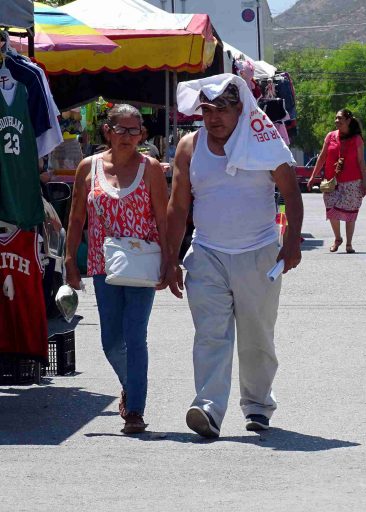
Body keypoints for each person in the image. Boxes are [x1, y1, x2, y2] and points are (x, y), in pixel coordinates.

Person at [166, 76, 302, 438]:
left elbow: (291, 190)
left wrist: (291, 243)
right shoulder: (189, 147)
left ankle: (257, 406)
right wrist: (170, 259)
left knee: (257, 337)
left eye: (222, 110)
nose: (214, 119)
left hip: (258, 254)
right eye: (207, 110)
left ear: (240, 108)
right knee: (210, 335)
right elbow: (178, 206)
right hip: (207, 253)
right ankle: (208, 408)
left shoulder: (264, 140)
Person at [64, 104, 171, 434]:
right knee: (111, 339)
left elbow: (163, 218)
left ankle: (135, 408)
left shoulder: (150, 168)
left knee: (135, 335)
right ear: (107, 131)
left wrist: (170, 261)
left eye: (134, 130)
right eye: (120, 130)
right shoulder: (88, 167)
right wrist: (69, 259)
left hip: (142, 262)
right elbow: (77, 218)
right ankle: (130, 382)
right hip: (102, 264)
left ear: (142, 134)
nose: (127, 137)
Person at [307, 109, 366, 253]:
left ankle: (349, 244)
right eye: (336, 118)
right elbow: (322, 157)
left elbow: (361, 161)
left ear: (348, 120)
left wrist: (364, 183)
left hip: (352, 181)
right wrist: (312, 177)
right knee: (330, 208)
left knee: (350, 213)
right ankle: (337, 238)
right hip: (331, 181)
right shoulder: (330, 136)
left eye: (340, 118)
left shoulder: (357, 139)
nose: (336, 121)